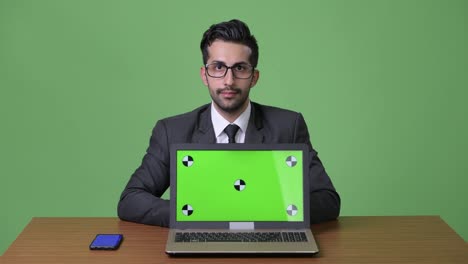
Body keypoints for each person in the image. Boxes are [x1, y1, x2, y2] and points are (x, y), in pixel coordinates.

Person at [118, 19, 340, 227]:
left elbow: (328, 200)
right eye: (218, 67)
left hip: (266, 244)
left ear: (254, 77)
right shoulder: (172, 131)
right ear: (205, 75)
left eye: (240, 68)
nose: (228, 80)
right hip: (198, 243)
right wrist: (197, 213)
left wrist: (260, 212)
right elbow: (131, 200)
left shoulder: (289, 126)